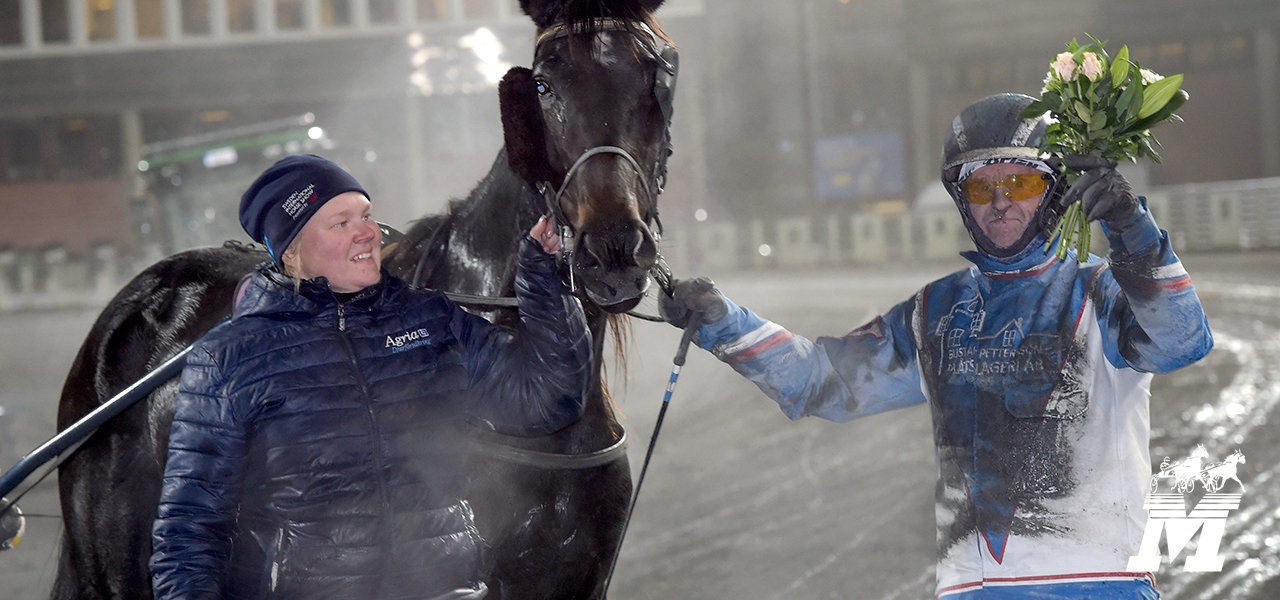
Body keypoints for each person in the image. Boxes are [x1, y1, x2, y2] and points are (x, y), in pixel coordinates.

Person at [660, 94, 1213, 599]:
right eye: (980, 188)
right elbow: (819, 380)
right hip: (969, 589)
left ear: (1056, 190)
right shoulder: (933, 313)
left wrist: (1130, 227)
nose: (1000, 203)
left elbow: (1182, 340)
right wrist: (722, 322)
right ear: (961, 199)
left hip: (1098, 584)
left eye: (1019, 184)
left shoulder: (1103, 293)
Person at [149, 154, 591, 600]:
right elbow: (190, 532)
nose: (368, 232)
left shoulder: (430, 319)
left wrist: (542, 280)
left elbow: (548, 399)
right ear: (292, 249)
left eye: (366, 214)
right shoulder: (230, 358)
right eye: (340, 223)